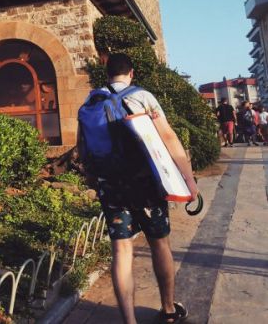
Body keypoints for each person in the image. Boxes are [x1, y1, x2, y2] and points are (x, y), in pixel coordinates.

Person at [79, 53, 198, 324]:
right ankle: (168, 310)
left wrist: (93, 180)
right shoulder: (142, 97)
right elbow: (168, 136)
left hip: (110, 185)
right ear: (131, 73)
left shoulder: (90, 100)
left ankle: (129, 321)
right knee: (160, 244)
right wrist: (188, 180)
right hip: (145, 184)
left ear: (107, 73)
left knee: (121, 251)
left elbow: (83, 147)